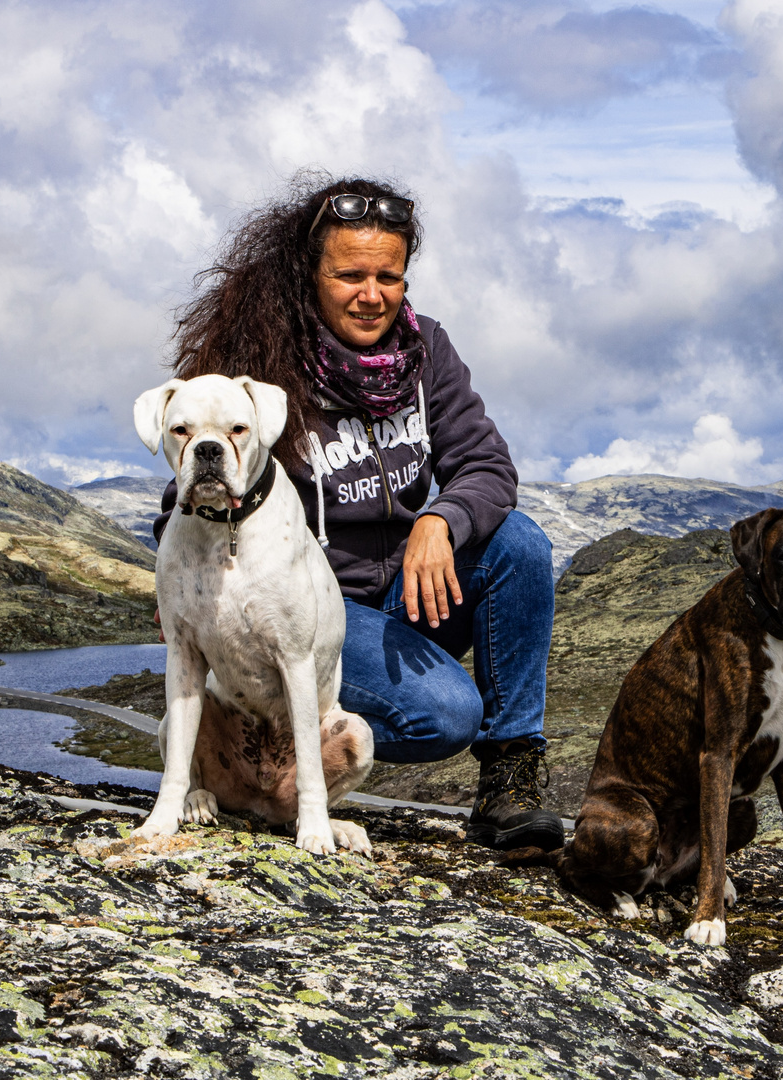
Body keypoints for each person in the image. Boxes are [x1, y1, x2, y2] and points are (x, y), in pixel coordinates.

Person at [155, 173, 561, 851]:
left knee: (518, 544)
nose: (372, 295)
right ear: (309, 273)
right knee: (445, 715)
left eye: (389, 276)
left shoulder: (427, 352)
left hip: (411, 589)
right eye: (350, 274)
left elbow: (488, 468)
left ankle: (511, 782)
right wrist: (176, 592)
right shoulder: (261, 364)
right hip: (313, 606)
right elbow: (200, 481)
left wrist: (442, 519)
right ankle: (266, 763)